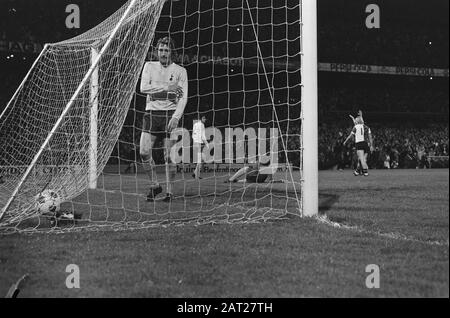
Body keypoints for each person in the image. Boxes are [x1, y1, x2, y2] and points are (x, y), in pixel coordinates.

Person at [139, 37, 188, 202]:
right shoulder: (149, 66)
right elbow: (143, 88)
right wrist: (168, 88)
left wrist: (176, 117)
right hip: (151, 114)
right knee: (144, 151)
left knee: (169, 156)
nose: (163, 53)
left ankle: (169, 192)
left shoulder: (180, 71)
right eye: (160, 50)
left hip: (170, 114)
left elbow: (182, 97)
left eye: (166, 50)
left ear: (171, 52)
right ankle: (155, 185)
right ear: (156, 51)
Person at [192, 114, 210, 179]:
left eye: (205, 118)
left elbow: (193, 134)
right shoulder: (202, 125)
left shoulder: (195, 124)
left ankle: (195, 173)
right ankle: (197, 175)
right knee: (201, 159)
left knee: (201, 159)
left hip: (196, 143)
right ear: (201, 119)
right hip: (198, 143)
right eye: (204, 118)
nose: (205, 120)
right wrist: (207, 143)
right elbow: (203, 136)